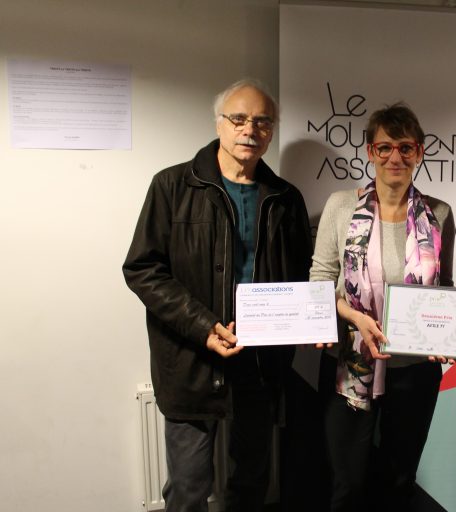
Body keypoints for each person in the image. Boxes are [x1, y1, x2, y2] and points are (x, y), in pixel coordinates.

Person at [123, 78, 312, 512]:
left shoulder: (286, 198)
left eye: (263, 121)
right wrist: (203, 326)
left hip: (260, 362)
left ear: (272, 130)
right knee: (189, 488)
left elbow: (302, 274)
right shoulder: (172, 186)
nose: (250, 130)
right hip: (192, 360)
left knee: (252, 482)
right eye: (239, 118)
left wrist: (309, 321)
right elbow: (143, 269)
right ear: (219, 123)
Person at [309, 102, 455, 511]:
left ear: (419, 152)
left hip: (414, 369)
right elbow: (320, 282)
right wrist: (355, 317)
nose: (395, 157)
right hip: (351, 362)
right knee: (347, 484)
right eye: (385, 147)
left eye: (406, 148)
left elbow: (443, 288)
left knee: (399, 480)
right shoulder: (341, 206)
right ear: (370, 152)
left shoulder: (439, 214)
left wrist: (448, 333)